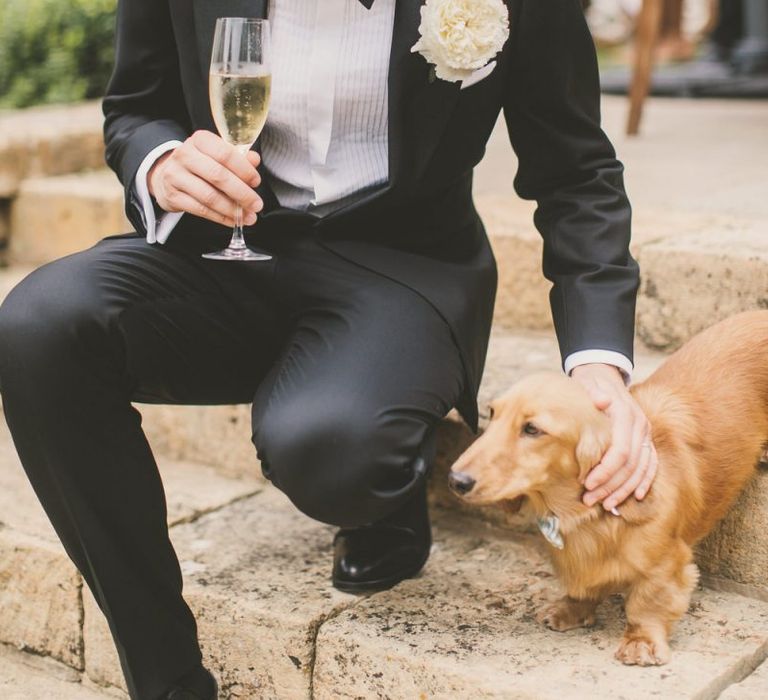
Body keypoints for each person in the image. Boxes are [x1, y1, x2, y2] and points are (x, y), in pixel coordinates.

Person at [0, 1, 658, 698]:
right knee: (37, 328)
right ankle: (166, 681)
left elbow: (576, 175)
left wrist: (598, 371)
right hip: (225, 250)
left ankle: (384, 461)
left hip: (403, 266)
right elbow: (135, 109)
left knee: (334, 450)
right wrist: (161, 165)